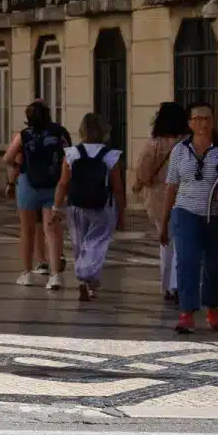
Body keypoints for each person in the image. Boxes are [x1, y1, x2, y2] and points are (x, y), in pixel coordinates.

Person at [162, 101, 218, 334]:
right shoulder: (180, 150)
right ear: (190, 123)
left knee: (215, 264)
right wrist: (164, 222)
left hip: (217, 216)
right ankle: (187, 314)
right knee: (187, 261)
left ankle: (213, 310)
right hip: (186, 211)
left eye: (208, 119)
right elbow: (171, 186)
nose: (204, 123)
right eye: (198, 119)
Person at [56, 112, 127, 302]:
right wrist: (121, 213)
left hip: (76, 205)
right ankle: (86, 274)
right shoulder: (111, 156)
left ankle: (88, 283)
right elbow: (118, 188)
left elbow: (63, 183)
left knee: (80, 243)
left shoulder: (71, 154)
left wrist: (56, 207)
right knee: (97, 243)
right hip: (103, 206)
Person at [4, 101, 70, 289]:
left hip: (28, 184)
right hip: (53, 185)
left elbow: (7, 158)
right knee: (53, 231)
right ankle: (55, 275)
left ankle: (26, 274)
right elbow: (69, 156)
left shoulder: (24, 135)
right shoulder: (60, 133)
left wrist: (18, 167)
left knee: (27, 230)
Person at [134, 102, 190, 303]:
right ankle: (177, 284)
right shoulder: (188, 142)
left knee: (165, 242)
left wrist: (140, 184)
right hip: (186, 195)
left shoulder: (154, 144)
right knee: (181, 242)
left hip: (158, 198)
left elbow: (143, 171)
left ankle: (168, 286)